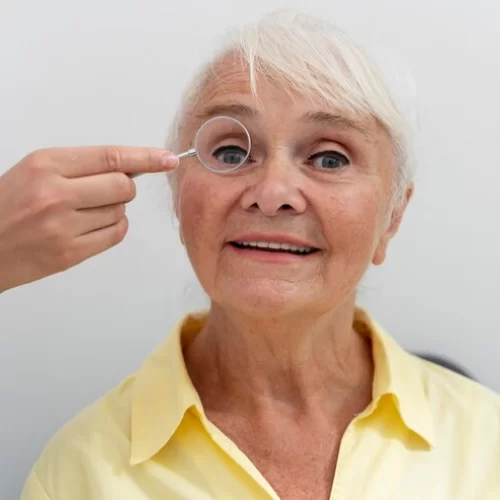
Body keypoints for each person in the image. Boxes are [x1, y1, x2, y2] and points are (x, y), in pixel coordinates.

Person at [2, 9, 497, 500]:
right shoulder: (74, 475)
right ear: (177, 196)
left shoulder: (487, 444)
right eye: (231, 153)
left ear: (393, 215)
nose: (272, 191)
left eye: (330, 158)